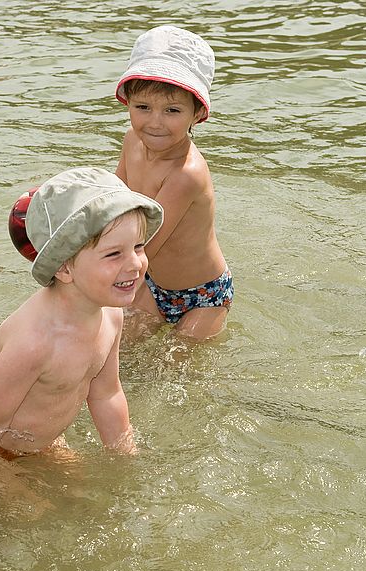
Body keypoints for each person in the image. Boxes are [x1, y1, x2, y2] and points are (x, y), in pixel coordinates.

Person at [0, 167, 163, 475]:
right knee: (32, 517)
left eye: (138, 247)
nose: (135, 263)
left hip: (37, 444)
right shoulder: (34, 343)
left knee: (82, 494)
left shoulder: (111, 315)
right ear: (65, 268)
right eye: (113, 255)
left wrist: (126, 459)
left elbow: (106, 393)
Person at [114, 25, 232, 340]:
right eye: (143, 107)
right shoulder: (131, 141)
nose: (154, 122)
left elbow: (146, 239)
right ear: (128, 103)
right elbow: (113, 199)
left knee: (177, 372)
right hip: (152, 283)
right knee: (122, 356)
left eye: (172, 110)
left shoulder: (186, 173)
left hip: (202, 297)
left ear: (197, 113)